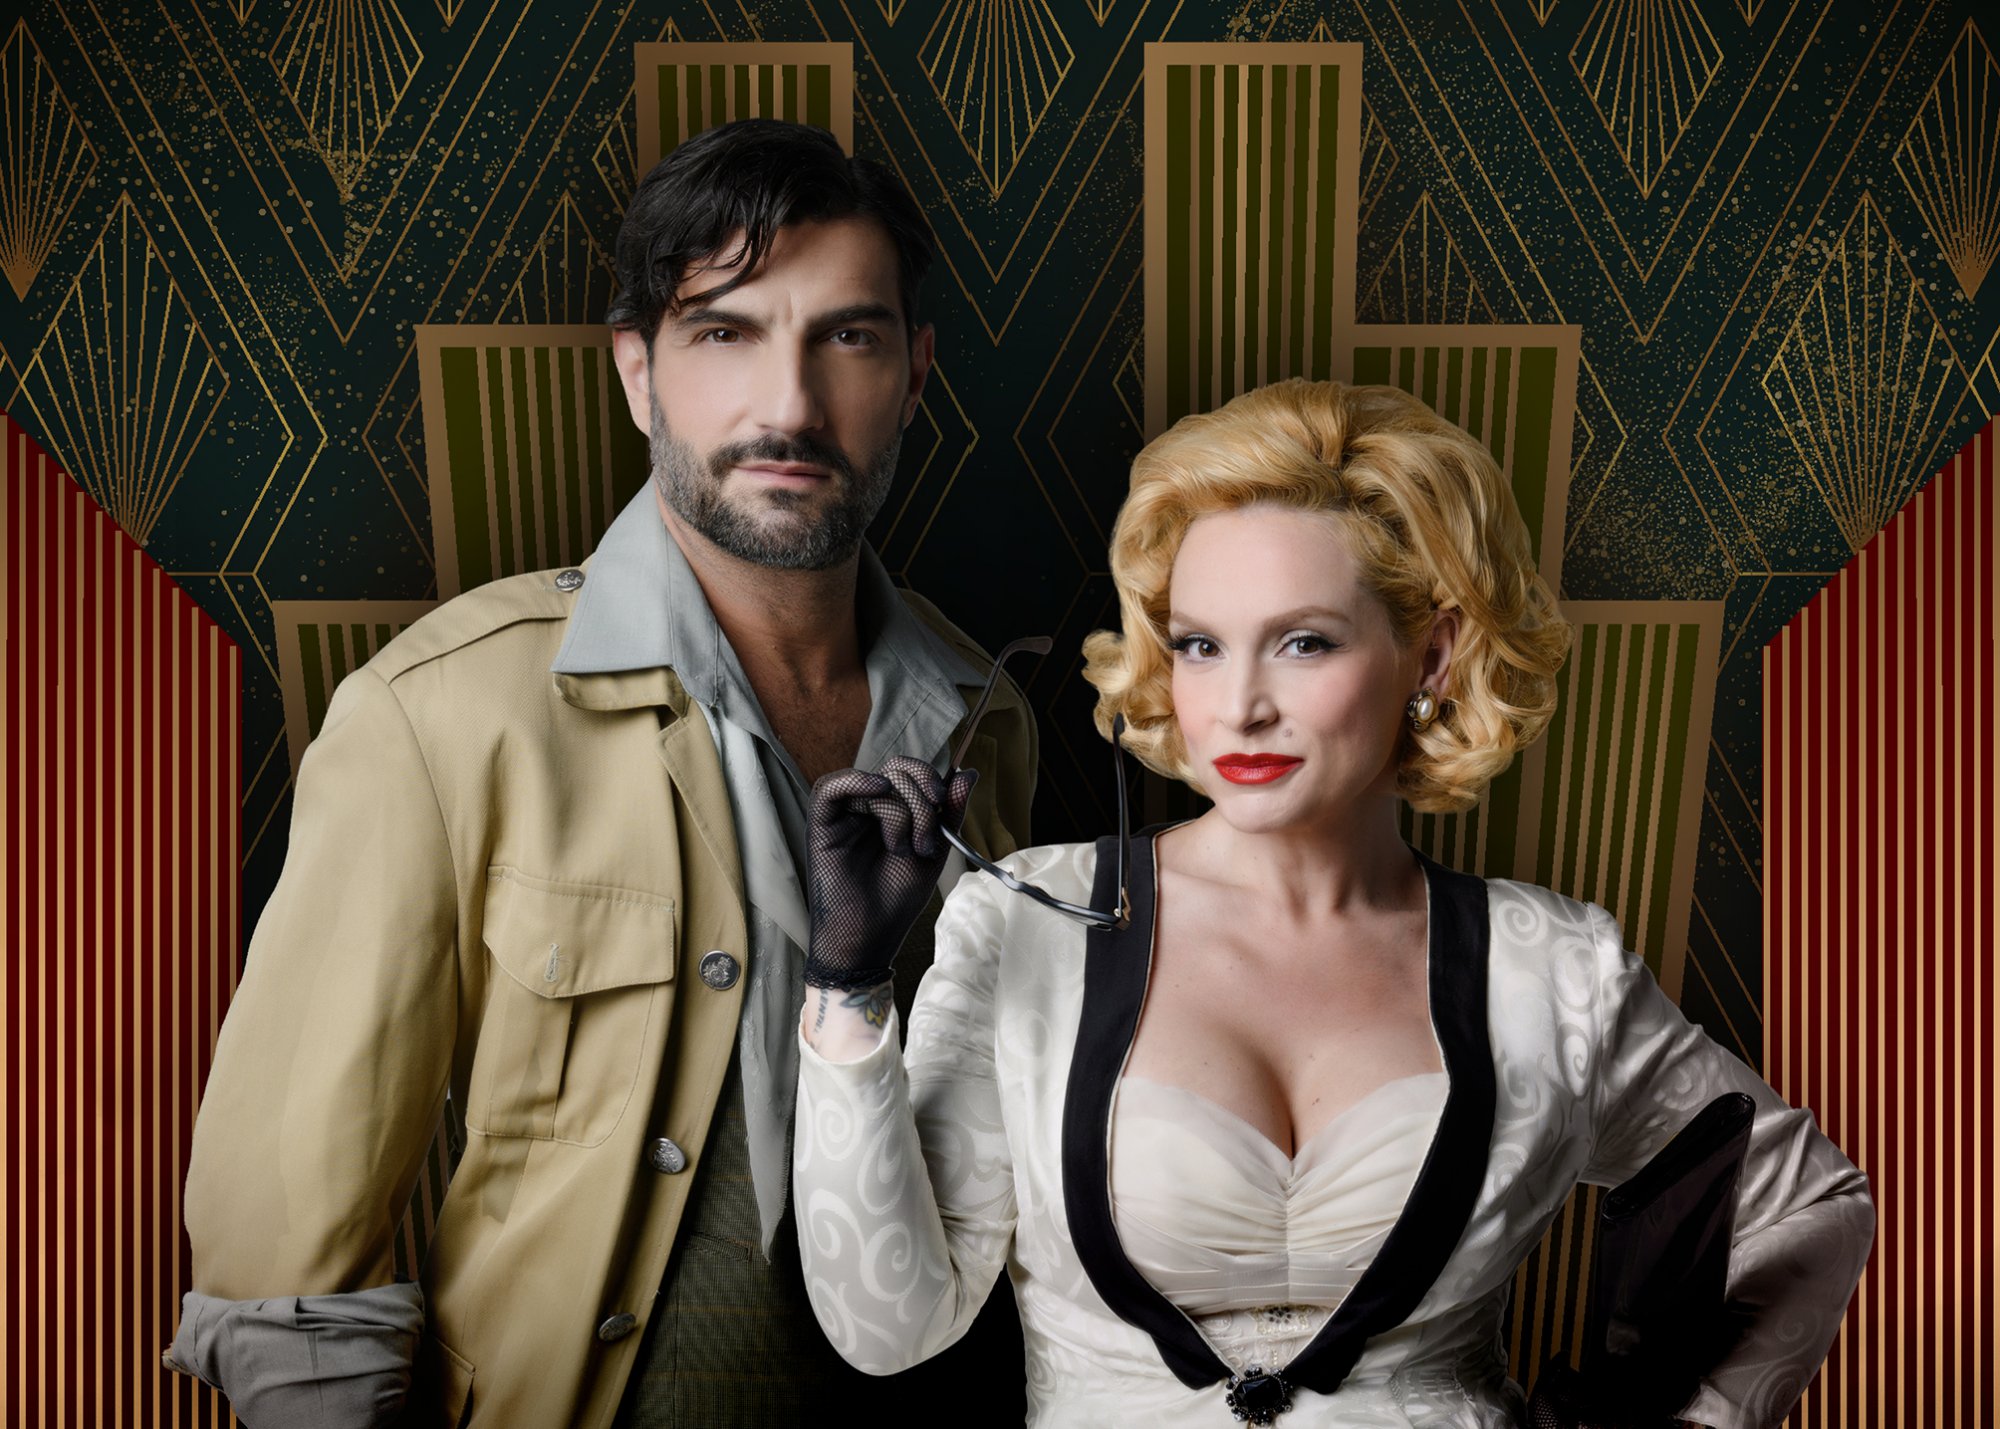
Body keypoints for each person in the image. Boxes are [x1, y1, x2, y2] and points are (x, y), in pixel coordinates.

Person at [166, 120, 1035, 1427]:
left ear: (914, 375)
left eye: (847, 337)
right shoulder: (444, 710)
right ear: (638, 372)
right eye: (723, 332)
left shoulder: (987, 720)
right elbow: (287, 1284)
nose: (788, 406)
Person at [792, 378, 1873, 1426]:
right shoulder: (1030, 921)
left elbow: (1807, 1202)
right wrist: (846, 987)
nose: (1240, 705)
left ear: (1431, 654)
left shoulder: (1550, 968)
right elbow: (887, 1327)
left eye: (1303, 641)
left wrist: (1688, 1416)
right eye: (1200, 645)